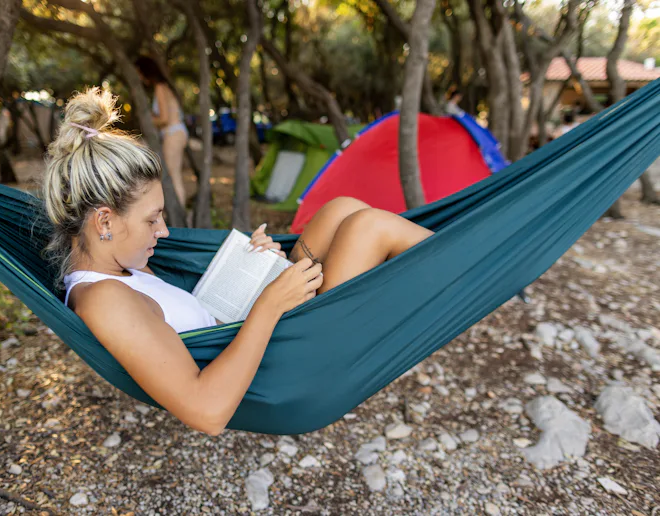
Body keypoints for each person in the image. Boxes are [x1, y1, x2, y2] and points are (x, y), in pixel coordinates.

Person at [42, 88, 434, 436]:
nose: (163, 232)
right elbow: (207, 412)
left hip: (257, 329)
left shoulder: (120, 265)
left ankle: (453, 267)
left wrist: (258, 269)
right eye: (151, 219)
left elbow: (187, 316)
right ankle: (468, 273)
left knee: (340, 210)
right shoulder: (104, 300)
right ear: (105, 221)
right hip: (287, 370)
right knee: (368, 227)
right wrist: (271, 303)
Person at [134, 55, 189, 207]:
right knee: (174, 176)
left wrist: (148, 119)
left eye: (138, 72)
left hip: (173, 134)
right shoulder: (164, 87)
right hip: (176, 133)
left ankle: (179, 215)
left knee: (174, 177)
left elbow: (164, 118)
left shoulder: (159, 88)